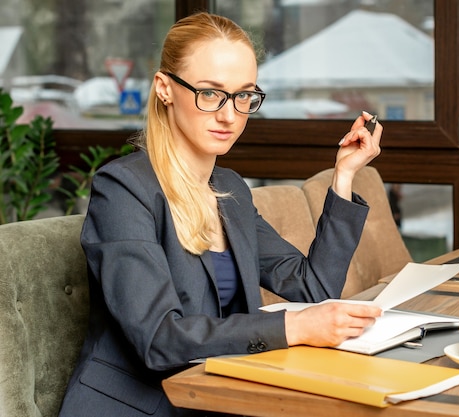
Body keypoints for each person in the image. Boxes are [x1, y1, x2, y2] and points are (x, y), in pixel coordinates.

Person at [59, 12, 382, 417]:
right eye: (210, 93)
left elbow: (313, 288)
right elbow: (159, 337)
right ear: (164, 89)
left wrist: (344, 175)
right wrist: (296, 327)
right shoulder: (123, 189)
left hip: (219, 400)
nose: (230, 115)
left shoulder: (230, 191)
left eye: (244, 95)